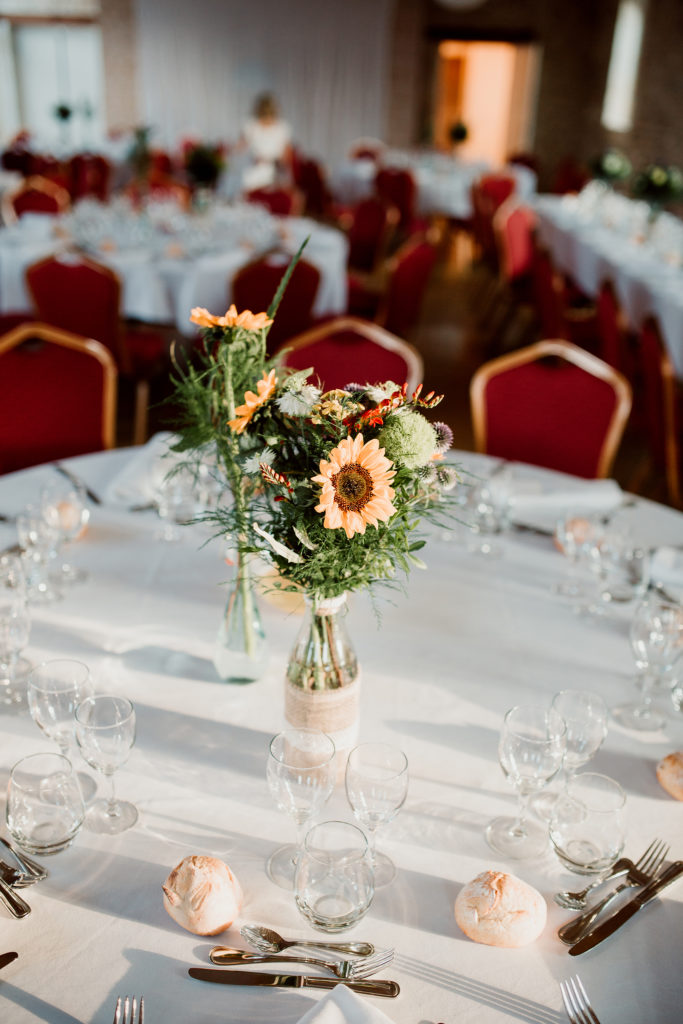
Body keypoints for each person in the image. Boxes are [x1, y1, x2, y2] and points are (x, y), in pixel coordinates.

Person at [240, 93, 292, 192]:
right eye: (264, 114)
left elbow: (286, 155)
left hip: (276, 170)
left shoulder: (282, 127)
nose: (267, 117)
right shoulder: (251, 126)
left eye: (270, 114)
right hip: (254, 169)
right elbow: (241, 149)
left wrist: (278, 164)